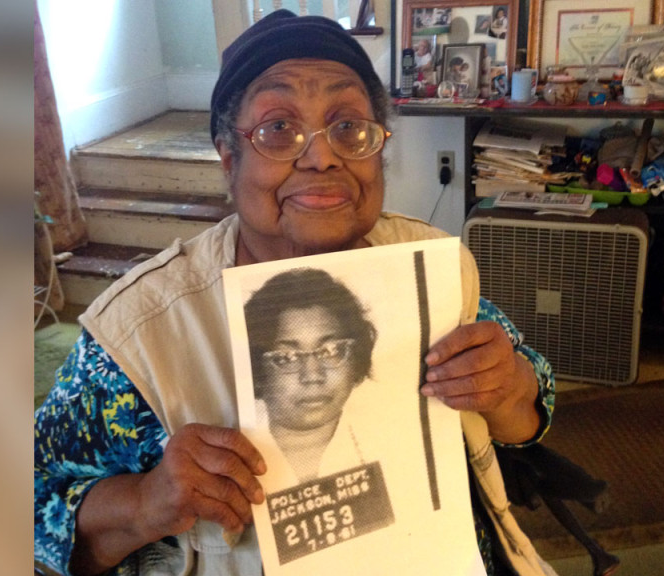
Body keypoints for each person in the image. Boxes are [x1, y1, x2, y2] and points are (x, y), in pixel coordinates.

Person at [34, 9, 556, 576]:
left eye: (348, 126)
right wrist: (144, 504)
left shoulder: (433, 269)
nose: (322, 155)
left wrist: (508, 389)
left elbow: (530, 412)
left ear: (378, 148)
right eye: (278, 128)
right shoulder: (138, 336)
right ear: (228, 157)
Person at [244, 268, 376, 483]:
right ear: (258, 370)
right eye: (287, 357)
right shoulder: (232, 448)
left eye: (330, 351)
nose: (313, 375)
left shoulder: (393, 441)